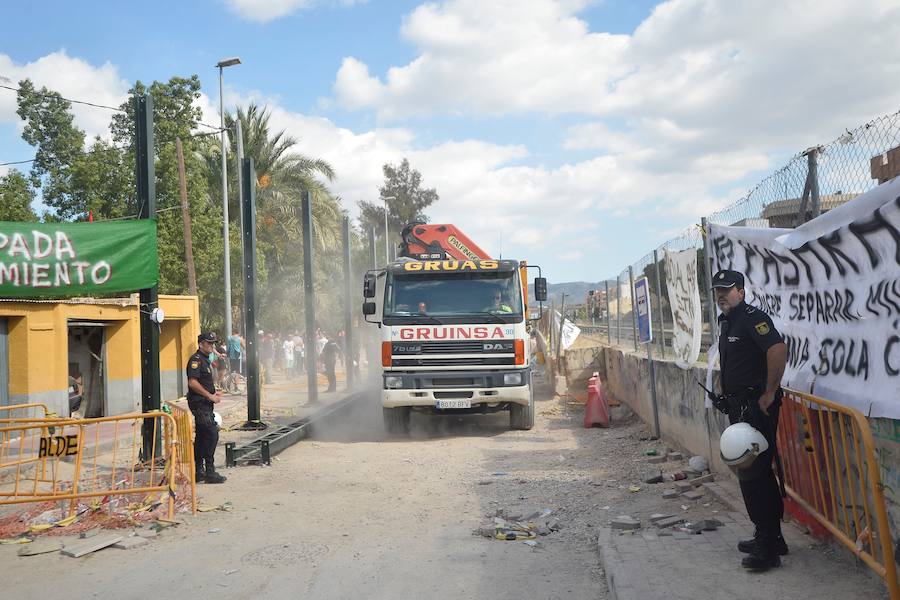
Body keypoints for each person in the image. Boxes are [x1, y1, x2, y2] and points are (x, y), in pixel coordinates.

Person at [710, 269, 788, 571]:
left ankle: (768, 548)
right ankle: (769, 536)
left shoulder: (753, 317)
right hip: (739, 408)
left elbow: (777, 349)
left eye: (726, 290)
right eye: (717, 290)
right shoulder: (728, 321)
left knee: (756, 474)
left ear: (740, 292)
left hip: (757, 408)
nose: (721, 295)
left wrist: (770, 392)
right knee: (751, 473)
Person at [186, 332, 227, 484]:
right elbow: (192, 382)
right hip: (200, 403)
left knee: (202, 436)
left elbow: (202, 383)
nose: (211, 346)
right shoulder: (196, 360)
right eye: (209, 343)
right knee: (212, 433)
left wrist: (212, 392)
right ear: (201, 343)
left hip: (204, 402)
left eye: (213, 343)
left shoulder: (205, 359)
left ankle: (199, 471)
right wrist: (209, 396)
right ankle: (209, 470)